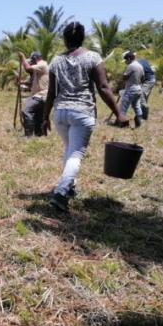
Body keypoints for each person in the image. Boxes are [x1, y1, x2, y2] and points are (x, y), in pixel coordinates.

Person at [42, 22, 128, 212]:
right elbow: (104, 88)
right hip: (82, 112)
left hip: (61, 113)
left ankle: (70, 187)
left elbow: (51, 93)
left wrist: (45, 117)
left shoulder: (56, 61)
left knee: (69, 150)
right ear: (82, 38)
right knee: (75, 154)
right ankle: (61, 193)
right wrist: (119, 113)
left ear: (65, 39)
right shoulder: (92, 57)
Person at [18, 51, 49, 136]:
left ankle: (28, 135)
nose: (31, 62)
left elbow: (27, 68)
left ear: (35, 59)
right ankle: (39, 134)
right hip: (40, 95)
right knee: (38, 116)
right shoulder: (40, 68)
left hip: (41, 95)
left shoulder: (42, 65)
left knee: (26, 111)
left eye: (32, 60)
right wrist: (22, 83)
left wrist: (23, 57)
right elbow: (33, 82)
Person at [121, 50, 145, 127]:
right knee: (137, 106)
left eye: (125, 60)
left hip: (131, 89)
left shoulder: (131, 66)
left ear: (129, 59)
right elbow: (143, 79)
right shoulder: (140, 66)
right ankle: (139, 123)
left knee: (123, 107)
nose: (125, 62)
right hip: (138, 89)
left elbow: (124, 77)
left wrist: (123, 76)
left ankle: (123, 124)